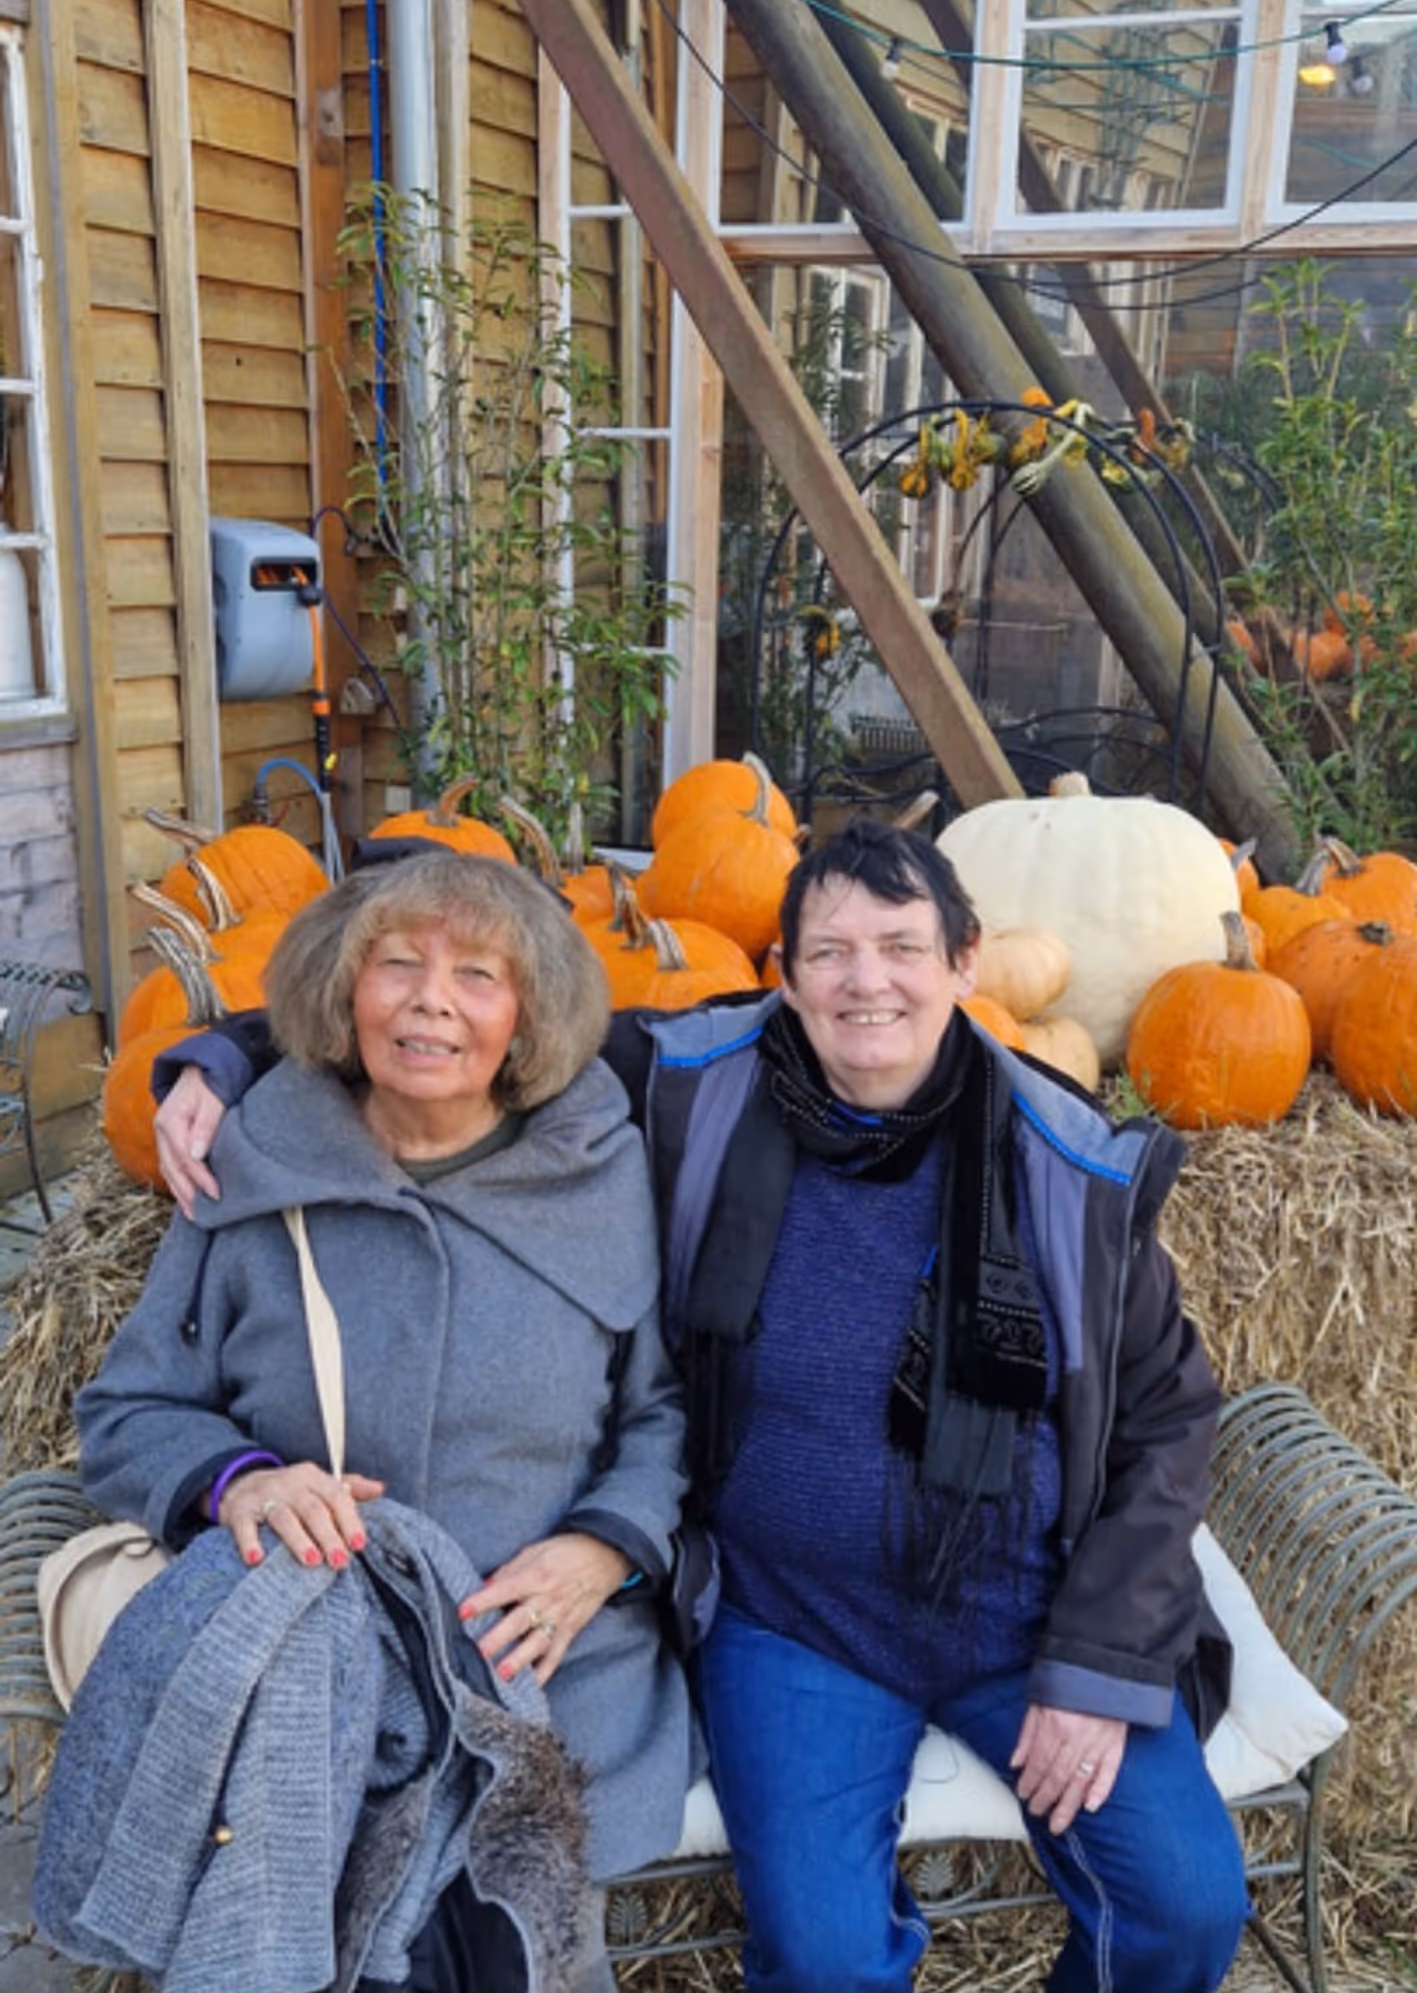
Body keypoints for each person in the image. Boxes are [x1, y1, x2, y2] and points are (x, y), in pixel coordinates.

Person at [154, 818, 1249, 1993]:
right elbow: (448, 1018)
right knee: (825, 1961)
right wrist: (221, 1058)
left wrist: (1093, 1665)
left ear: (965, 961)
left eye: (900, 945)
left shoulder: (1063, 1164)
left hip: (1022, 1607)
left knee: (1186, 1904)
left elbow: (1167, 1424)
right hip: (792, 1618)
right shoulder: (695, 1078)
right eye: (827, 951)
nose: (865, 980)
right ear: (779, 974)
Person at [69, 848, 694, 1991]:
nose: (429, 1001)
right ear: (340, 990)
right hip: (323, 1664)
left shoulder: (604, 1169)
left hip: (545, 1659)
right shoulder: (255, 1167)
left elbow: (661, 1415)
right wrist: (240, 1478)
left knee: (507, 1920)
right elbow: (125, 1407)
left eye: (476, 975)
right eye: (394, 964)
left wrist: (602, 1549)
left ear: (529, 1015)